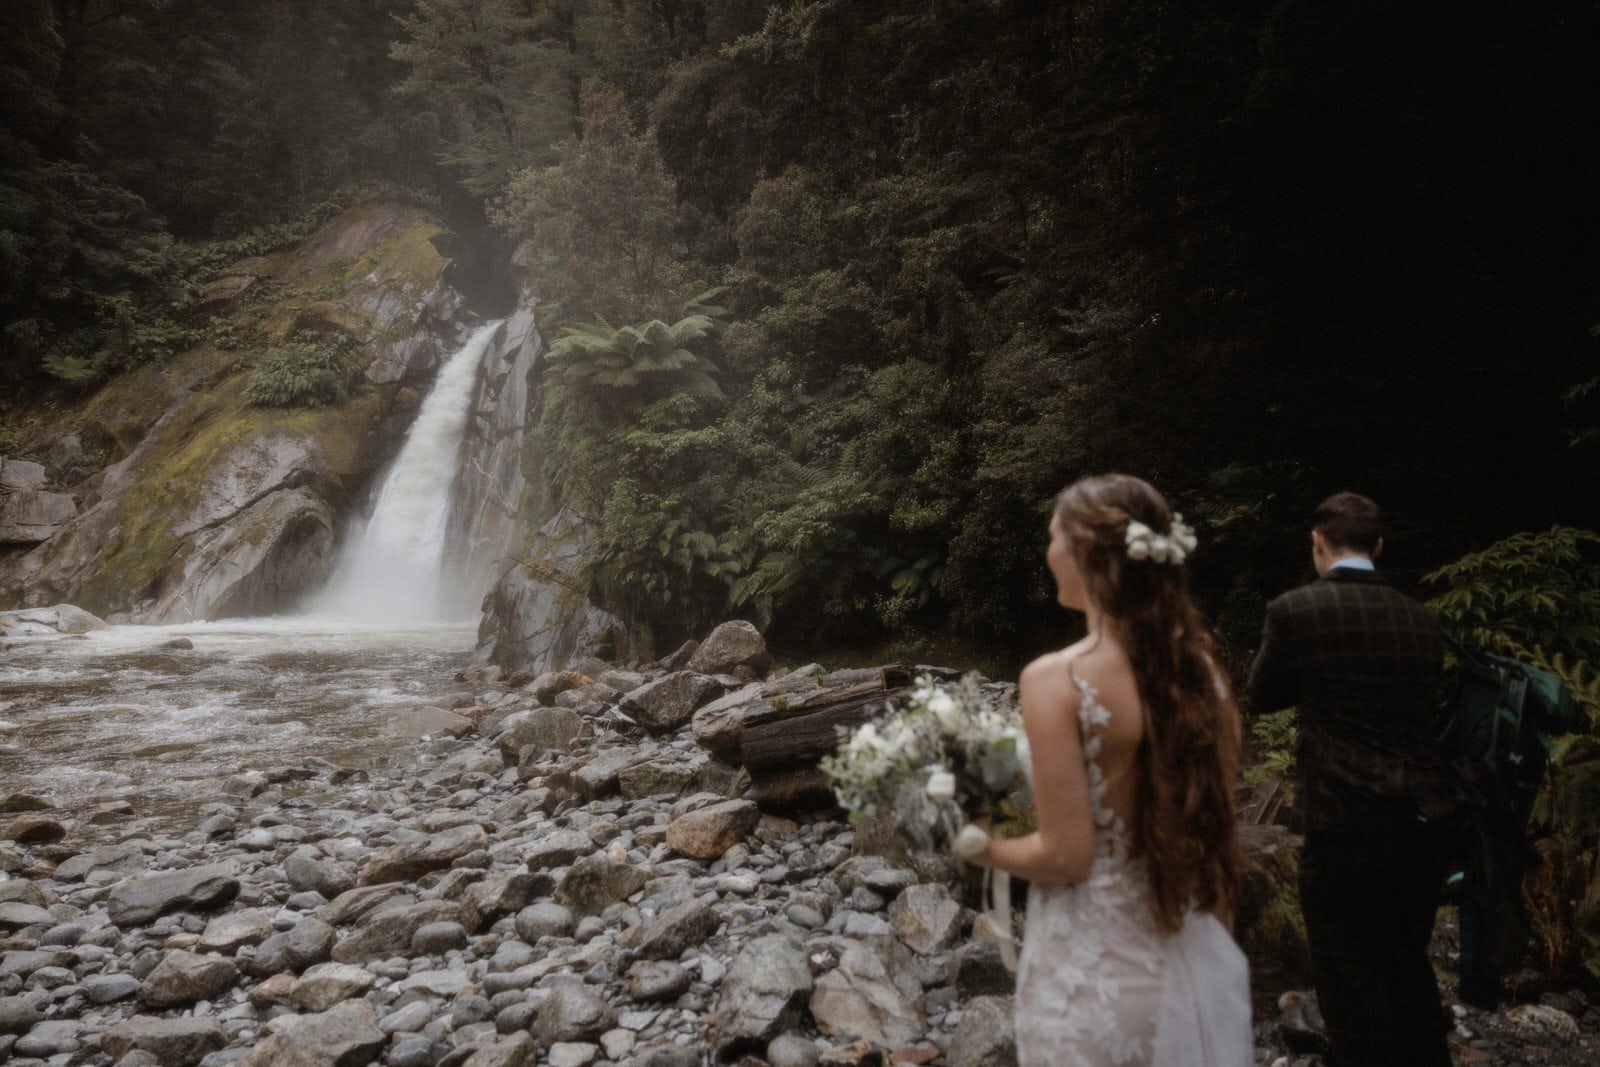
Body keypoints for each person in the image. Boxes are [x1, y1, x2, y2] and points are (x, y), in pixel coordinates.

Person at [958, 473, 1252, 1066]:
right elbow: (1218, 835)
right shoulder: (1203, 677)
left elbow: (1068, 857)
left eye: (1052, 538)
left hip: (1090, 974)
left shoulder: (1056, 679)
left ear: (1085, 553)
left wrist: (979, 846)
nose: (1047, 553)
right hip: (1193, 962)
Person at [1245, 491, 1453, 1067]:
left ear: (1317, 544)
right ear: (1378, 546)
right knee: (1409, 966)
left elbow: (1261, 697)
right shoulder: (1421, 618)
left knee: (1347, 975)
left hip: (1343, 821)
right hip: (1422, 816)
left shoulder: (1296, 611)